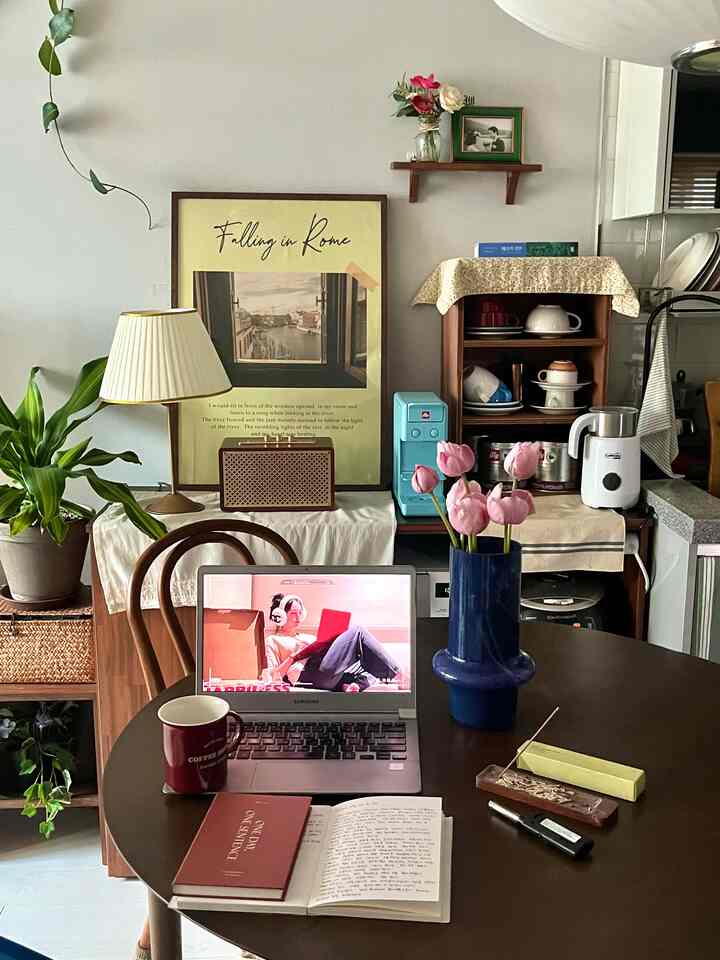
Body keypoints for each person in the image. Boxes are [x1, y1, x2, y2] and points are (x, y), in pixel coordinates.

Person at [261, 593, 405, 692]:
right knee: (358, 631)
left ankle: (350, 685)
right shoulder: (273, 640)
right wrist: (293, 657)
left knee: (369, 663)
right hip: (308, 674)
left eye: (300, 613)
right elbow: (273, 676)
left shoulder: (307, 637)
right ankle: (399, 675)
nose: (298, 617)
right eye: (293, 613)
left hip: (326, 673)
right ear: (280, 616)